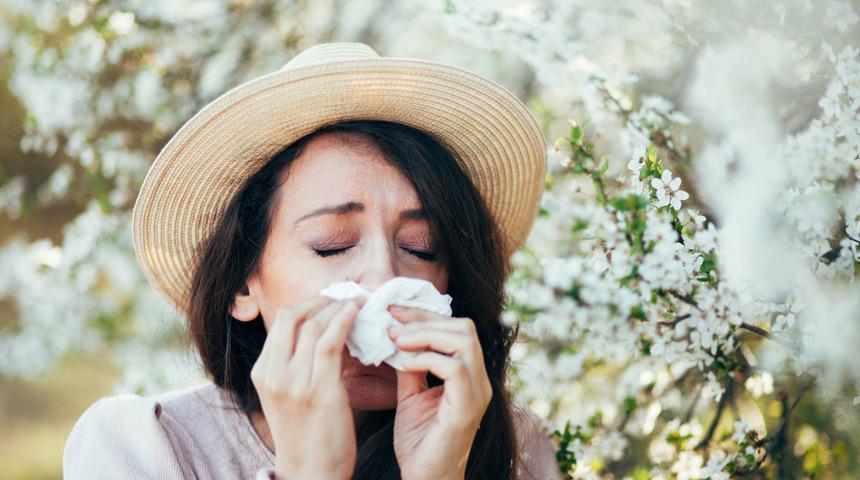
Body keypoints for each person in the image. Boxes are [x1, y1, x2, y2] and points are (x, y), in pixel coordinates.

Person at [63, 42, 559, 479]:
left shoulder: (517, 449)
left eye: (420, 247)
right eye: (332, 245)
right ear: (241, 285)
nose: (384, 279)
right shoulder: (141, 448)